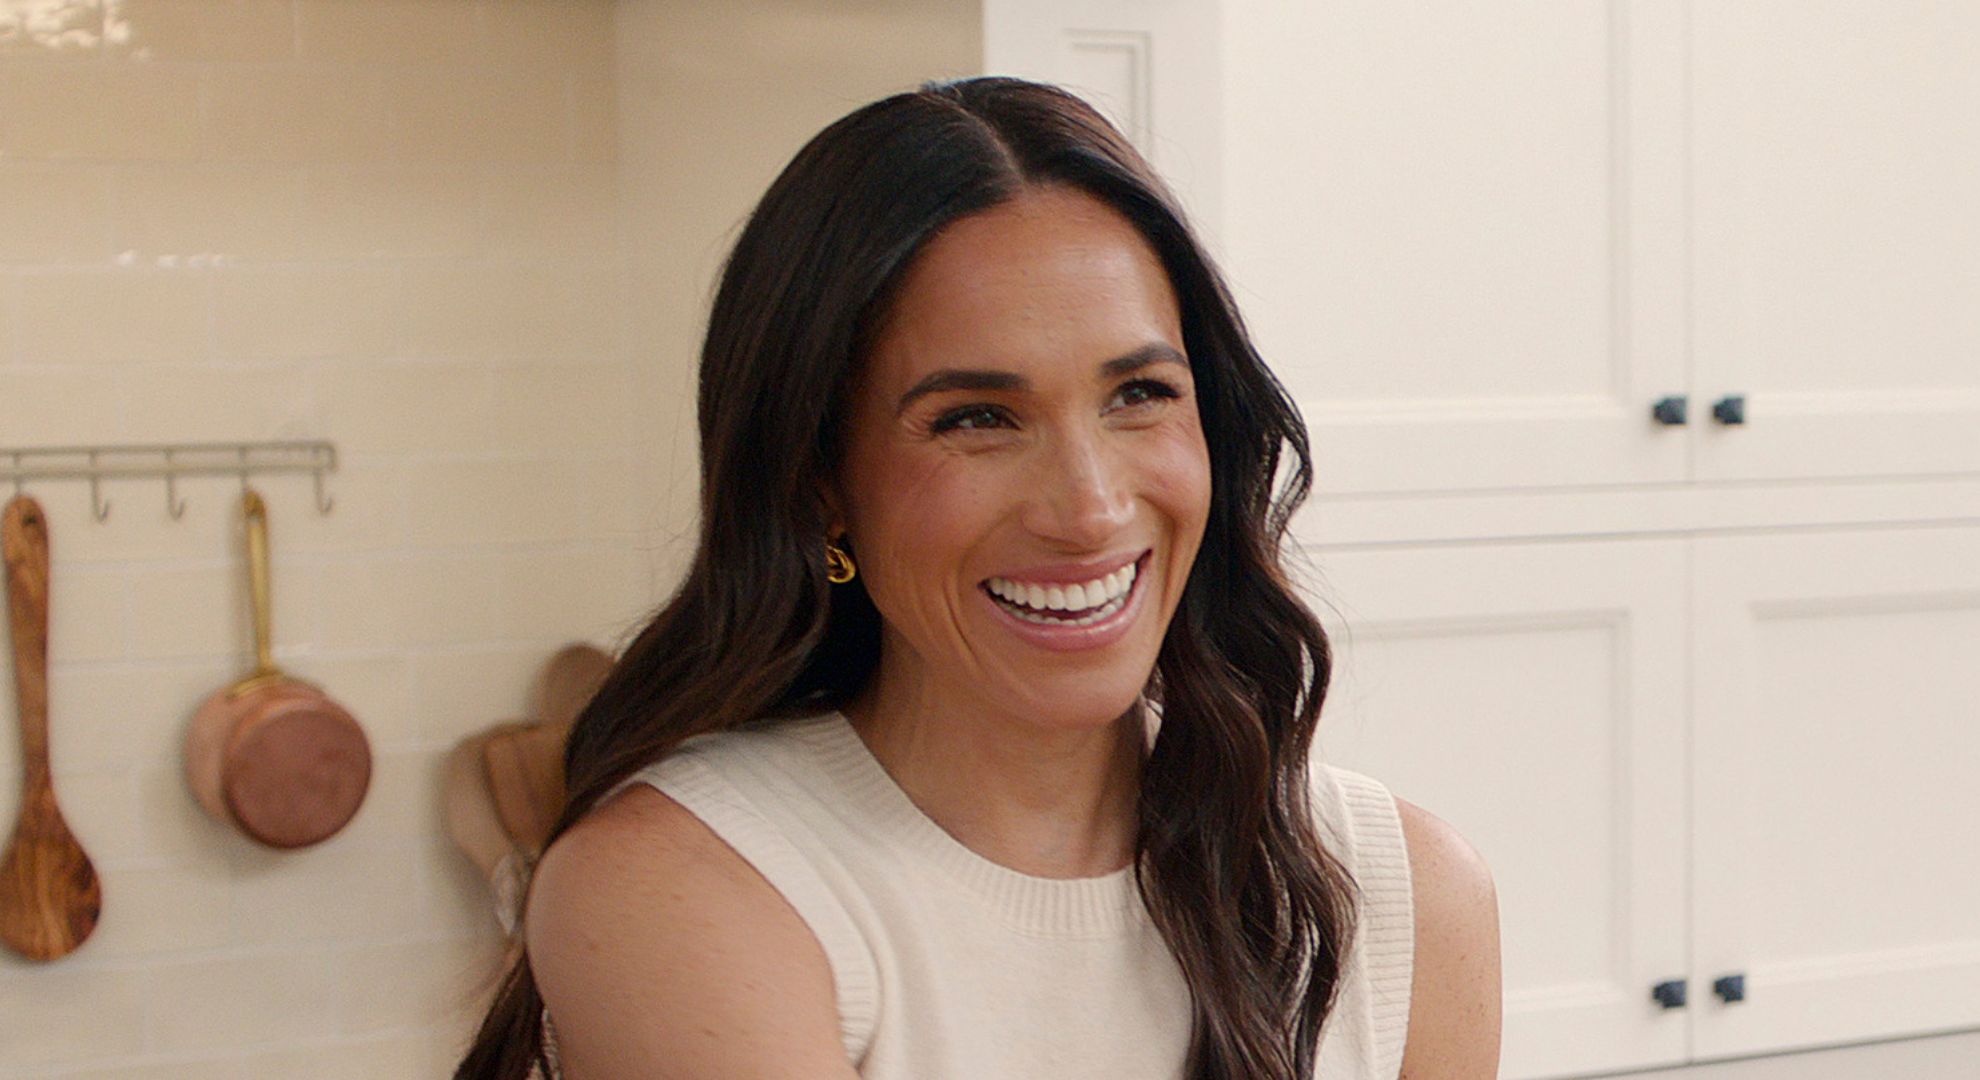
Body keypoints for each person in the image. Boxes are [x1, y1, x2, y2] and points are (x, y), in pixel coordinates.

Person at [453, 75, 1500, 1080]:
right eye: (977, 419)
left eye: (1139, 394)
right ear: (820, 482)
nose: (1088, 507)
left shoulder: (1402, 892)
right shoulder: (690, 887)